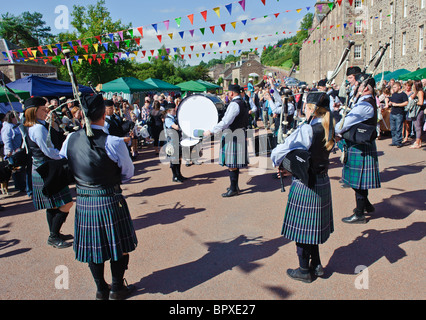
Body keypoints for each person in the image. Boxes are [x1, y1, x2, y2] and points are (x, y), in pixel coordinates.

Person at [59, 93, 137, 300]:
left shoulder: (70, 139)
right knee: (118, 247)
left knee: (95, 248)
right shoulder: (114, 142)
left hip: (84, 200)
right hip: (110, 198)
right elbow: (128, 174)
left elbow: (65, 162)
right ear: (103, 114)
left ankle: (101, 289)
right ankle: (117, 288)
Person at [271, 92, 335, 283]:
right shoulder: (329, 126)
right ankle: (316, 263)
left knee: (302, 229)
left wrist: (281, 161)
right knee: (312, 228)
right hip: (322, 180)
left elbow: (278, 152)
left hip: (306, 183)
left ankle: (303, 270)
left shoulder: (307, 130)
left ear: (310, 109)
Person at [23, 97, 73, 249]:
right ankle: (53, 236)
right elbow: (49, 151)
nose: (46, 112)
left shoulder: (35, 126)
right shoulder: (37, 128)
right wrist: (65, 154)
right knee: (67, 203)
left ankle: (55, 233)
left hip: (42, 168)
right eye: (43, 110)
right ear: (34, 111)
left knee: (52, 206)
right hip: (46, 169)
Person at [335, 77, 381, 224]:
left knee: (358, 181)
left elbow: (343, 124)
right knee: (357, 181)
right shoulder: (364, 102)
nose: (356, 87)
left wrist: (335, 132)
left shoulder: (364, 106)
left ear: (366, 88)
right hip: (359, 143)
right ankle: (366, 205)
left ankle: (360, 214)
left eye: (359, 85)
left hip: (360, 145)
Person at [203, 84, 249, 197]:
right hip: (240, 133)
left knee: (231, 163)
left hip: (233, 134)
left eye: (228, 93)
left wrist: (212, 131)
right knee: (234, 163)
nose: (227, 95)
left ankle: (233, 189)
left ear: (232, 93)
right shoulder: (243, 102)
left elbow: (226, 121)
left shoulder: (234, 104)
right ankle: (235, 186)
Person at [1, 111, 27, 193]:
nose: (18, 118)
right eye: (16, 117)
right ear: (12, 118)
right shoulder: (7, 127)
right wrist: (9, 151)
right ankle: (19, 186)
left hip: (18, 151)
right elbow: (7, 140)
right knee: (16, 170)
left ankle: (21, 185)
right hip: (12, 153)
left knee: (20, 169)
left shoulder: (15, 126)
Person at [164, 103, 186, 183]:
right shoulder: (168, 119)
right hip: (172, 141)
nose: (175, 111)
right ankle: (175, 176)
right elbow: (176, 127)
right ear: (169, 111)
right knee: (174, 159)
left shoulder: (173, 117)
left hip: (177, 140)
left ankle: (179, 174)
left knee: (179, 158)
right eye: (174, 110)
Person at [387, 82, 408, 148]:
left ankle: (399, 142)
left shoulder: (403, 94)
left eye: (395, 87)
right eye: (393, 87)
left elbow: (406, 103)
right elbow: (390, 100)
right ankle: (394, 141)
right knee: (393, 128)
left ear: (399, 87)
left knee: (398, 128)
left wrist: (397, 104)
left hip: (399, 113)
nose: (393, 89)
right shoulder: (394, 94)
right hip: (392, 113)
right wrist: (390, 103)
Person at [408, 80, 425, 149]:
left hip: (418, 111)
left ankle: (417, 142)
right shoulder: (417, 92)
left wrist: (414, 102)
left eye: (413, 85)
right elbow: (411, 97)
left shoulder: (420, 92)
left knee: (418, 127)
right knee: (416, 126)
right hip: (415, 111)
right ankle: (419, 141)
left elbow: (421, 102)